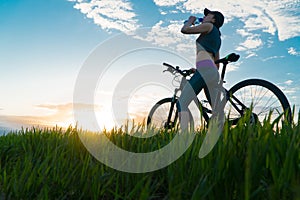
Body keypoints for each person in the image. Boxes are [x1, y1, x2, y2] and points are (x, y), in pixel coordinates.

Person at [177, 8, 225, 131]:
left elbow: (185, 30)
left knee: (181, 103)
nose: (204, 17)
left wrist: (190, 20)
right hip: (212, 72)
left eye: (208, 15)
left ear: (213, 19)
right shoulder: (217, 37)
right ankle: (222, 133)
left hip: (205, 71)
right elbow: (215, 62)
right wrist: (199, 70)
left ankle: (183, 137)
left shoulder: (209, 26)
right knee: (217, 109)